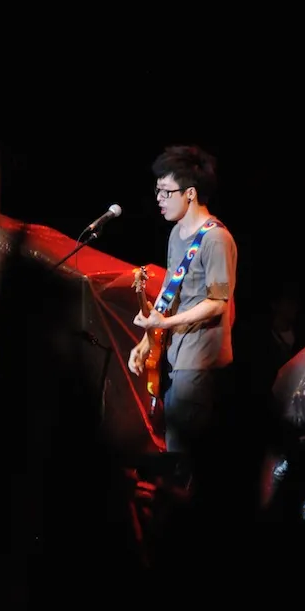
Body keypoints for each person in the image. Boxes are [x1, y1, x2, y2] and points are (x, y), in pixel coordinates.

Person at [128, 144, 238, 462]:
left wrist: (165, 323)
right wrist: (146, 341)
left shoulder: (216, 238)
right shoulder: (177, 234)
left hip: (201, 360)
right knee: (172, 443)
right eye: (157, 191)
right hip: (175, 355)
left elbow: (218, 301)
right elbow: (169, 291)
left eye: (166, 191)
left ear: (190, 193)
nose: (159, 199)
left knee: (182, 454)